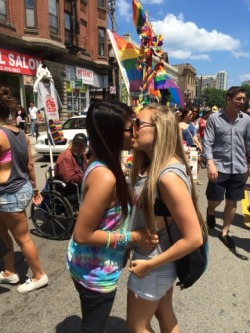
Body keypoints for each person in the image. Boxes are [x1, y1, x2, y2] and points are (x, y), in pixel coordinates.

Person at [66, 100, 158, 333]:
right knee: (93, 327)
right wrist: (132, 237)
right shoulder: (105, 176)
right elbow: (82, 234)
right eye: (131, 127)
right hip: (94, 273)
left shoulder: (104, 161)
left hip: (90, 265)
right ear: (112, 134)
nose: (136, 131)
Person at [127, 104, 205, 333]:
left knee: (137, 326)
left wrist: (150, 264)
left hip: (153, 265)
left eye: (138, 124)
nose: (133, 128)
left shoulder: (168, 176)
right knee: (165, 315)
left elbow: (194, 238)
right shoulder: (157, 166)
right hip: (159, 264)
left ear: (159, 129)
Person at [0, 86, 48, 293]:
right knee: (3, 233)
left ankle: (38, 275)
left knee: (22, 237)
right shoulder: (21, 134)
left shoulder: (0, 135)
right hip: (20, 189)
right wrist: (35, 189)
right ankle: (9, 271)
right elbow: (29, 166)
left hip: (8, 193)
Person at [204, 86, 250, 249]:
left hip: (239, 168)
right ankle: (210, 211)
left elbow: (249, 144)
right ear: (228, 99)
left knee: (232, 202)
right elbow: (207, 142)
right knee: (215, 201)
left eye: (243, 99)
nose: (242, 102)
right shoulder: (214, 119)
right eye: (238, 99)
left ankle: (224, 232)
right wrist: (210, 163)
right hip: (219, 167)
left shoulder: (246, 119)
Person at [179, 108, 203, 185]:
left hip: (193, 147)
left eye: (192, 114)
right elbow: (179, 138)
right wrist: (184, 148)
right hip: (185, 147)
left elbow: (194, 136)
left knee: (194, 163)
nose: (191, 116)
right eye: (190, 114)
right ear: (185, 115)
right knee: (186, 164)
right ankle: (186, 180)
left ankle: (193, 180)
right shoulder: (180, 125)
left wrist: (199, 144)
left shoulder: (192, 124)